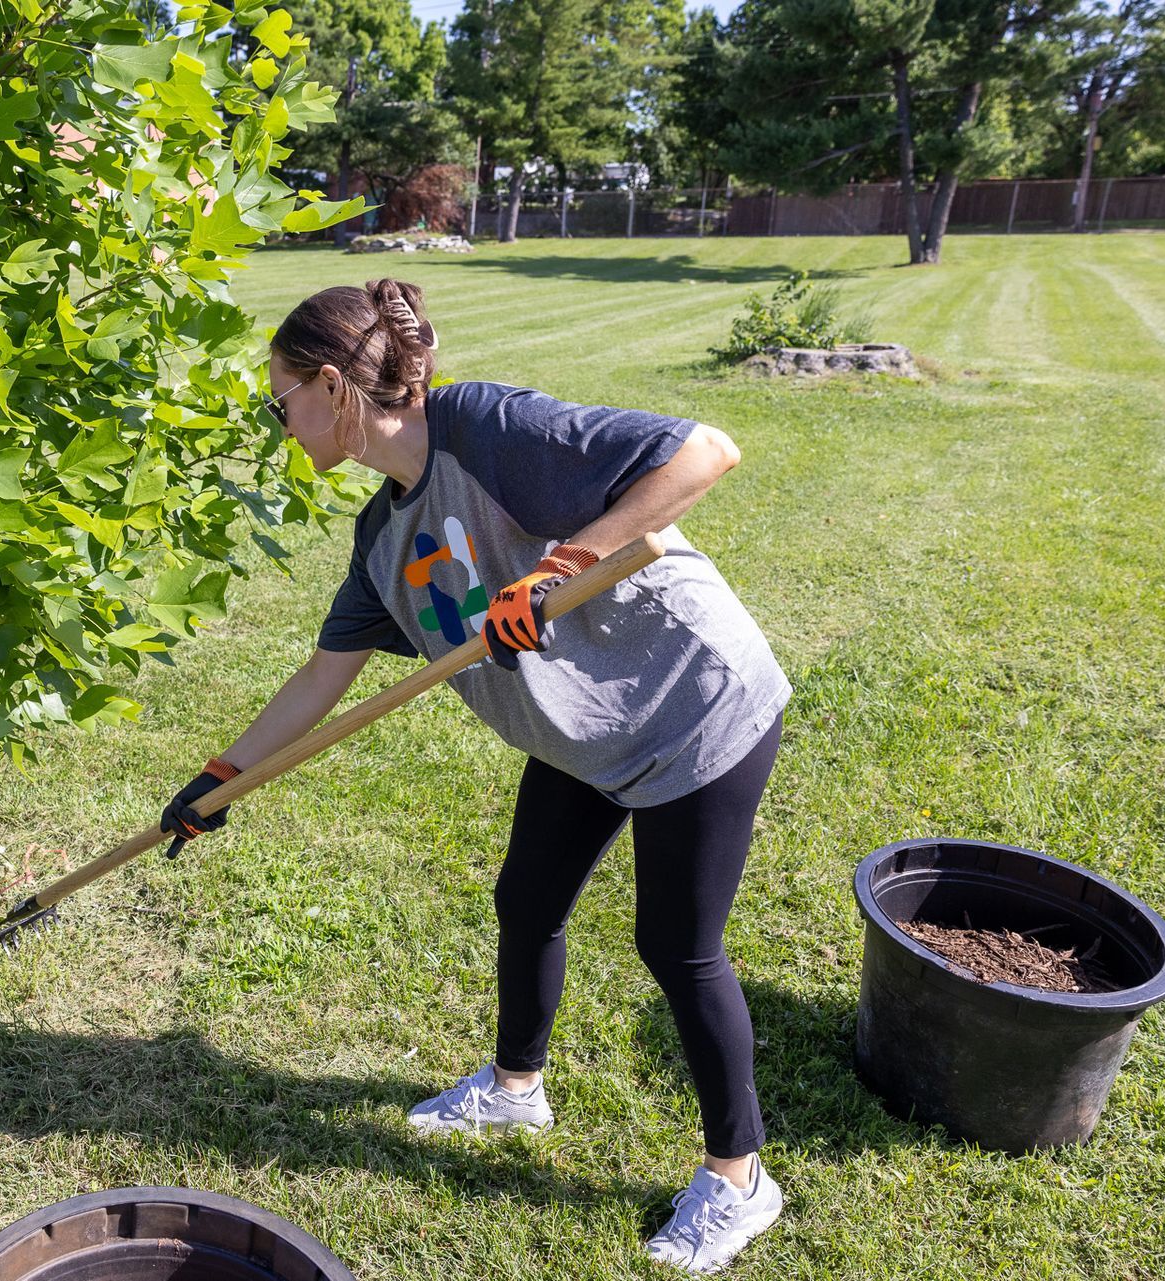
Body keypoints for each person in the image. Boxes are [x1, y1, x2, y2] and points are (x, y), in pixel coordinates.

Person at [159, 278, 792, 1274]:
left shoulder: (486, 428)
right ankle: (515, 1089)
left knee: (678, 948)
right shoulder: (383, 543)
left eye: (282, 402)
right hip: (582, 732)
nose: (282, 428)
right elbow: (325, 676)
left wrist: (558, 566)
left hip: (692, 703)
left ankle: (738, 1179)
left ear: (332, 387)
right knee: (527, 901)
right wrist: (221, 777)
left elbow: (705, 450)